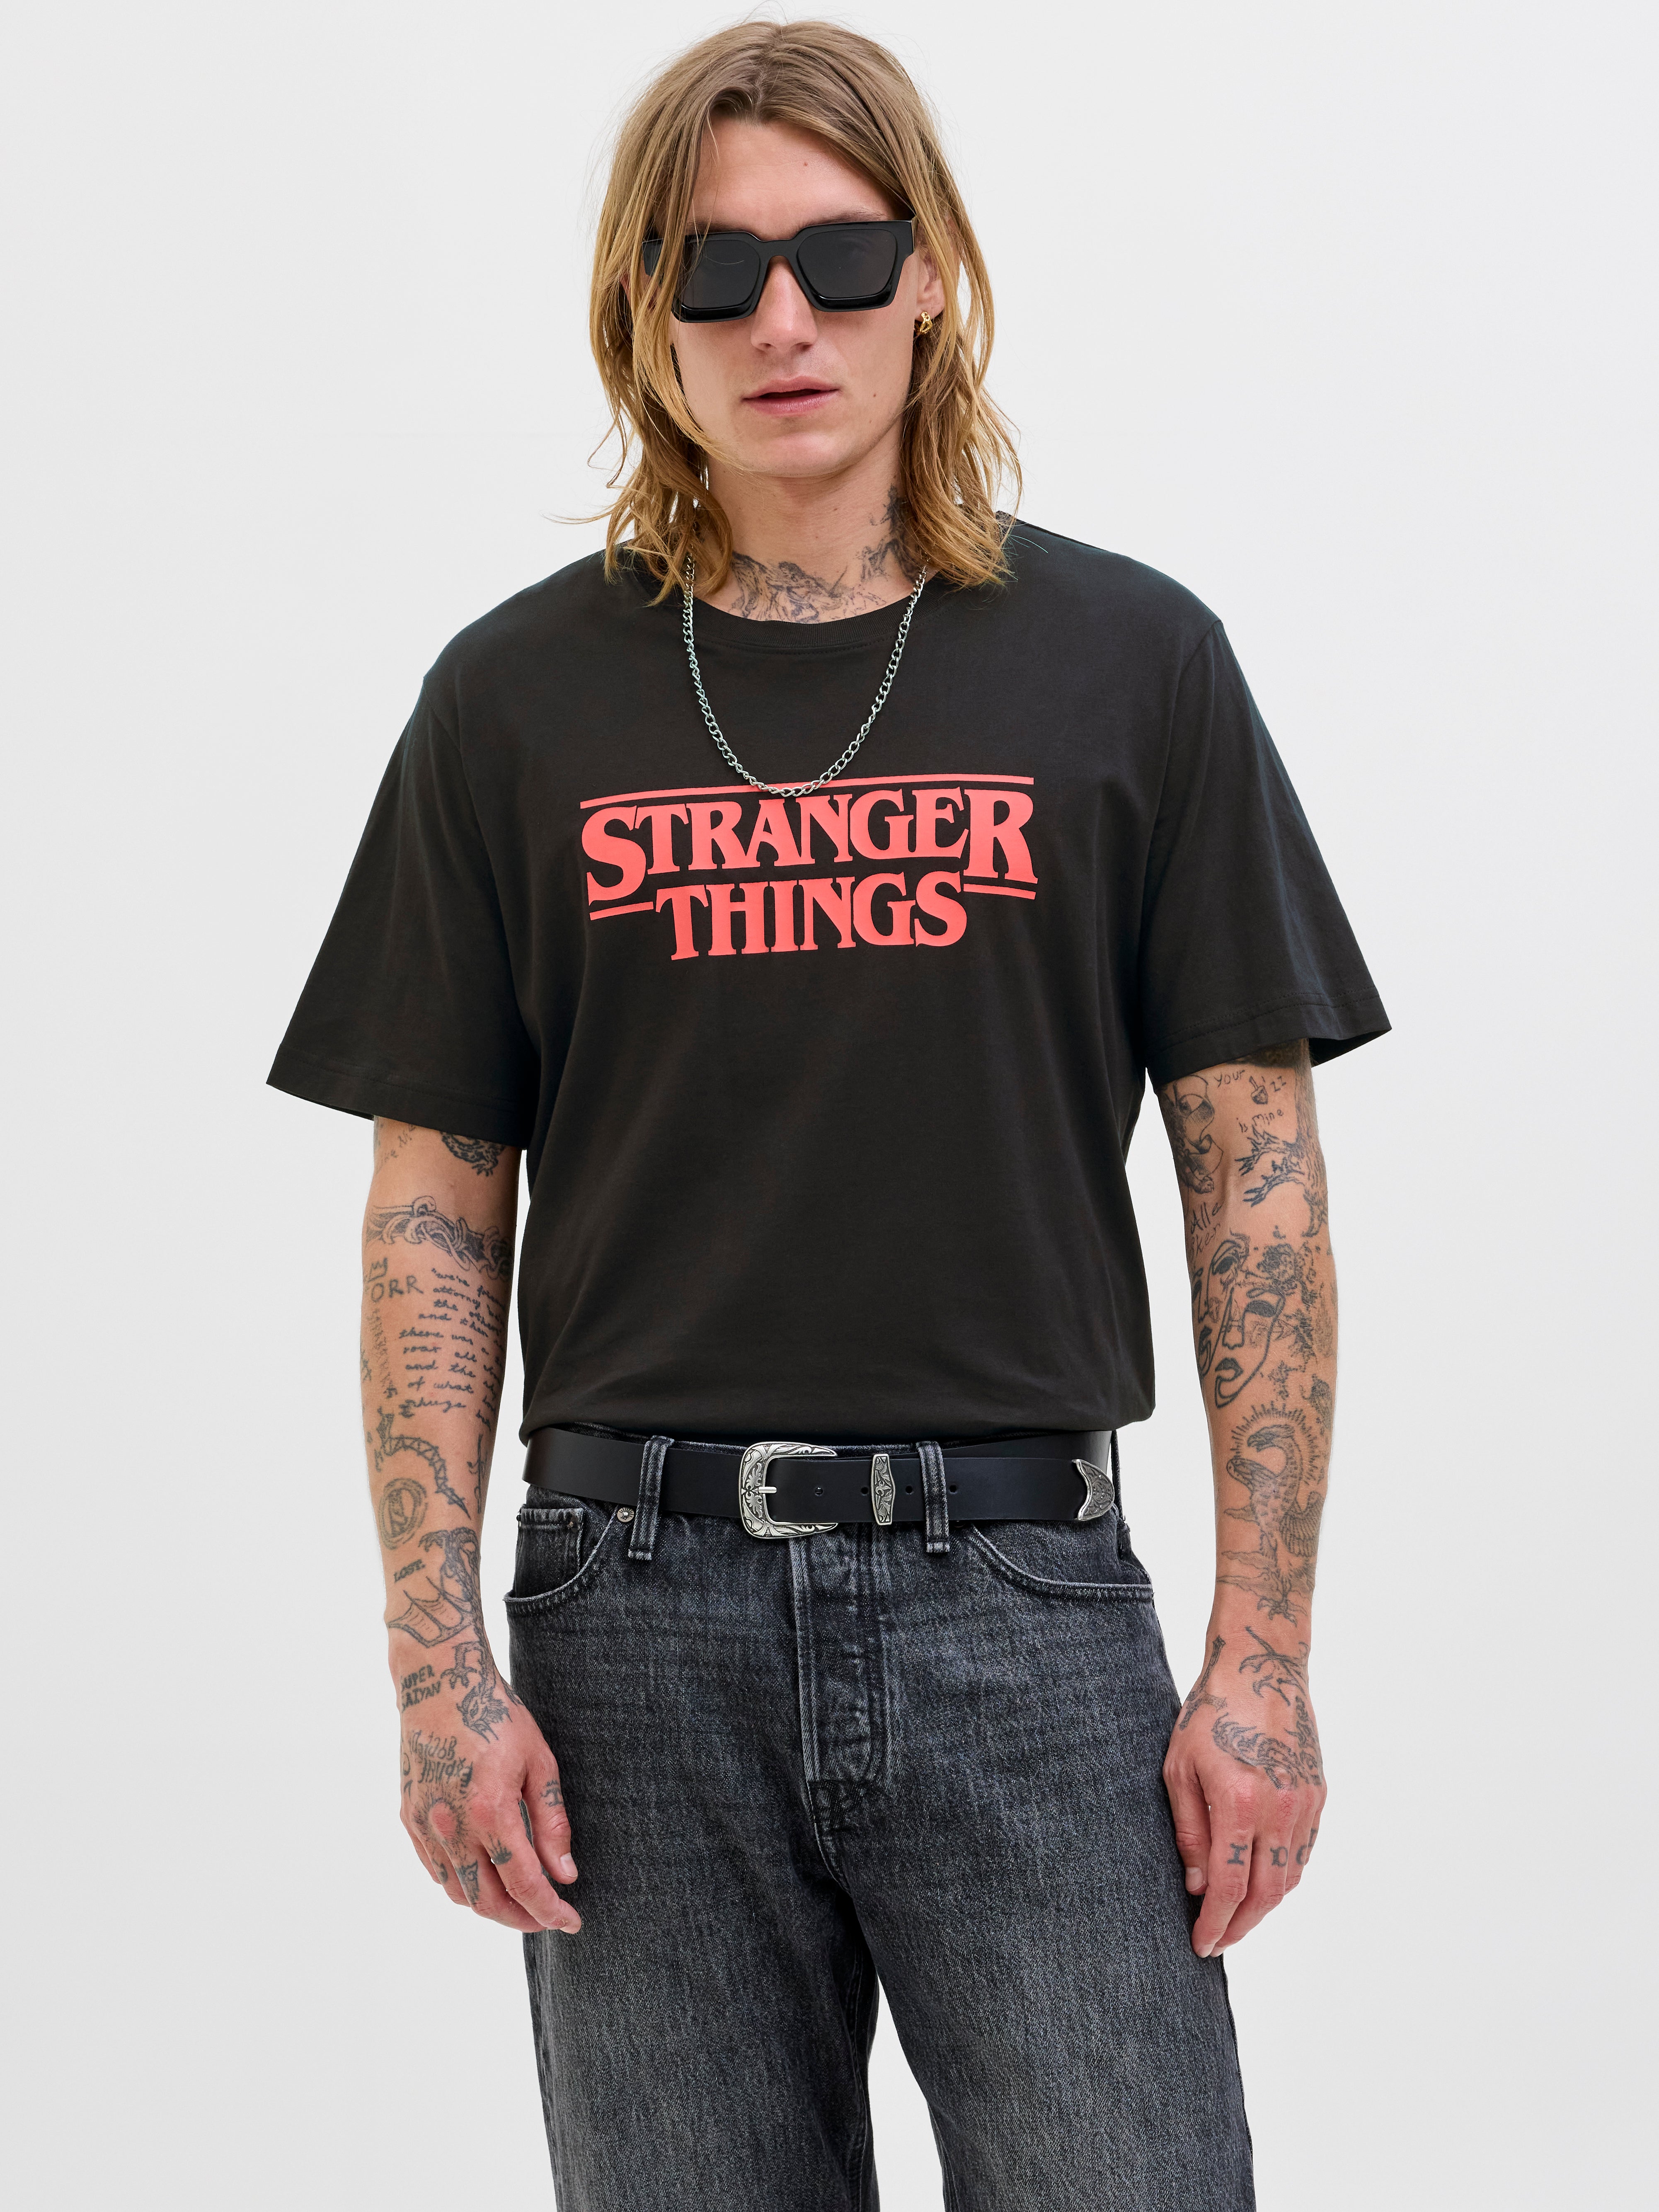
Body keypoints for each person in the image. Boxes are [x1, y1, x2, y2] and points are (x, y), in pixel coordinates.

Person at [269, 20, 1387, 2210]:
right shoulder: (510, 703)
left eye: (841, 256)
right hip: (632, 1618)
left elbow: (1255, 1185)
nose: (783, 319)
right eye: (715, 269)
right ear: (645, 310)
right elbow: (432, 1208)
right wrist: (435, 1667)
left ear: (931, 274)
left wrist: (1260, 1662)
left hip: (1023, 1603)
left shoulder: (1133, 665)